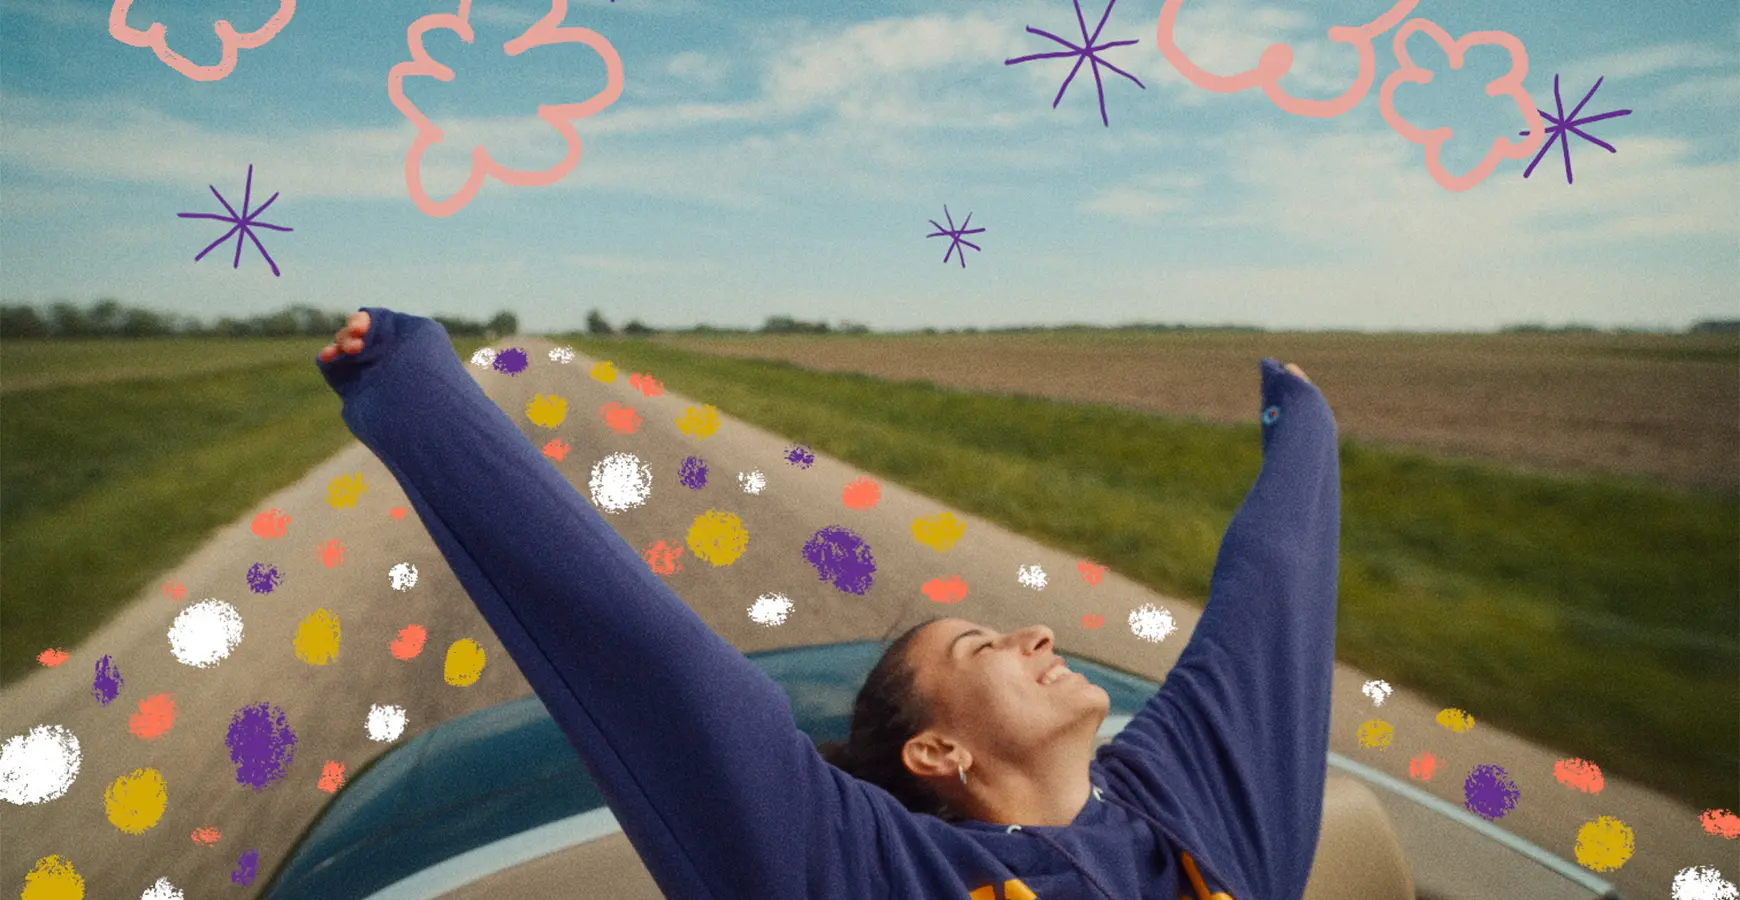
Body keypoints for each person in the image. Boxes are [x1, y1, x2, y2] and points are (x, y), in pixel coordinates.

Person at [317, 309, 1340, 900]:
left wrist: (1304, 421)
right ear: (937, 755)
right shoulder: (874, 874)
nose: (1039, 634)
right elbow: (657, 675)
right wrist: (411, 390)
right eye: (982, 644)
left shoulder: (1198, 818)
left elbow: (1268, 609)